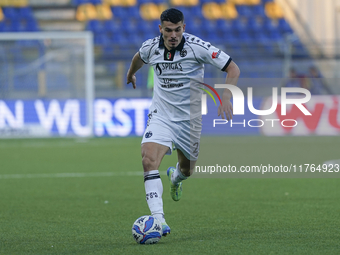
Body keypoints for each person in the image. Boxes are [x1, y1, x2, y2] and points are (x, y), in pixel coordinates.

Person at [126, 8, 240, 236]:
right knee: (148, 160)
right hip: (161, 115)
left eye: (177, 30)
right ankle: (159, 220)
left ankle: (175, 178)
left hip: (189, 121)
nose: (173, 35)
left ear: (183, 28)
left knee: (187, 170)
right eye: (168, 30)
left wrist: (226, 97)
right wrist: (130, 74)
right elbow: (138, 58)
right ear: (161, 29)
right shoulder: (151, 47)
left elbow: (232, 68)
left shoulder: (197, 48)